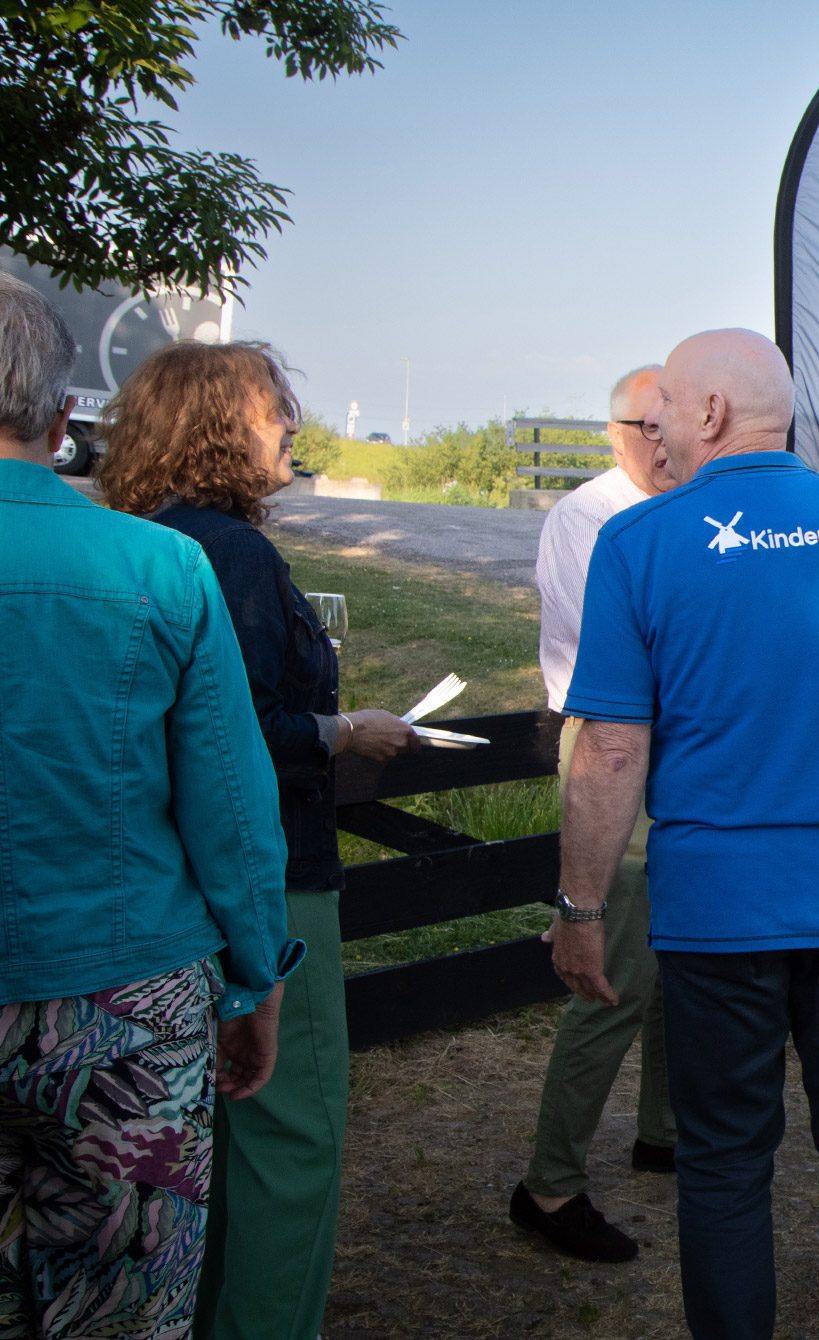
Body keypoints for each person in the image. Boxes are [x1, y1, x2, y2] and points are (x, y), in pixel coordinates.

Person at [550, 328, 819, 1338]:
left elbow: (610, 748)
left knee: (726, 1161)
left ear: (705, 414)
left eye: (663, 421)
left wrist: (580, 902)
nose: (656, 445)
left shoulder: (642, 540)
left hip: (717, 910)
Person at [99, 339, 420, 1339]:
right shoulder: (229, 555)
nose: (291, 421)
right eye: (273, 405)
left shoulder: (137, 541)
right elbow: (236, 734)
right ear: (213, 425)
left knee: (221, 1132)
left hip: (169, 887)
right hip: (271, 883)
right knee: (291, 1135)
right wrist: (340, 729)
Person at [0, 274, 295, 1338]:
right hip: (127, 1001)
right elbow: (230, 801)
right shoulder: (158, 565)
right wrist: (258, 973)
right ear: (60, 409)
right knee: (123, 1306)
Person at [508, 365, 678, 1264]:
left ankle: (663, 1131)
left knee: (668, 958)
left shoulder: (670, 513)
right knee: (613, 970)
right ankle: (550, 1181)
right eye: (645, 426)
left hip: (660, 746)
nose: (662, 442)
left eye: (672, 424)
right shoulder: (589, 518)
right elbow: (620, 664)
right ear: (614, 430)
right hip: (613, 747)